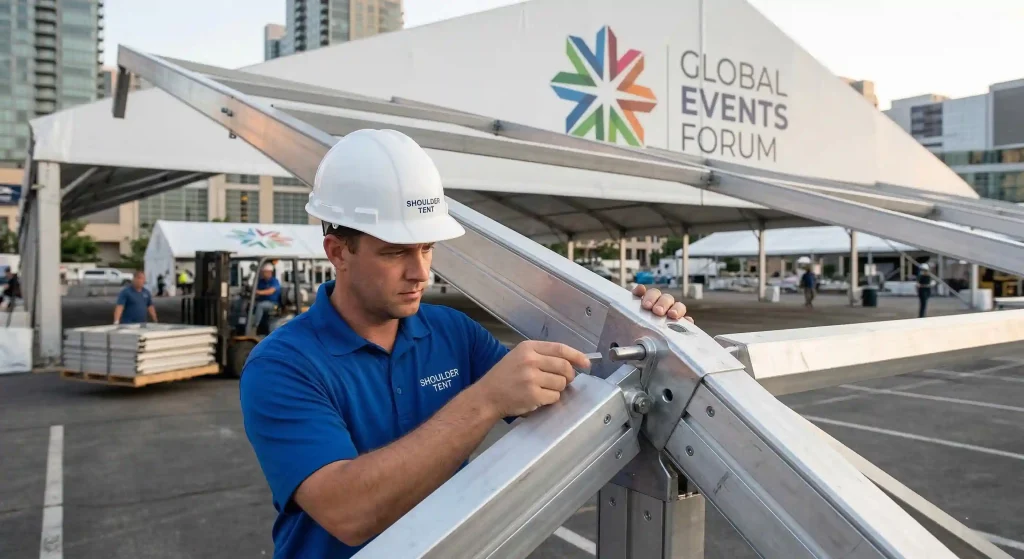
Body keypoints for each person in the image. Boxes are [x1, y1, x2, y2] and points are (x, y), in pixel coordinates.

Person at [239, 129, 693, 559]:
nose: (420, 273)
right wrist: (485, 400)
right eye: (396, 252)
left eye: (427, 248)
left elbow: (569, 399)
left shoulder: (451, 332)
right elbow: (348, 512)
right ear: (338, 251)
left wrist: (647, 339)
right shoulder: (283, 366)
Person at [252, 263, 281, 332]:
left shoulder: (274, 281)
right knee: (248, 306)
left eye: (264, 272)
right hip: (262, 301)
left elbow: (271, 291)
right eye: (262, 272)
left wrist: (258, 292)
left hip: (273, 304)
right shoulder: (261, 281)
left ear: (269, 272)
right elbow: (256, 291)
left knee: (260, 306)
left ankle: (254, 327)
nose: (262, 273)